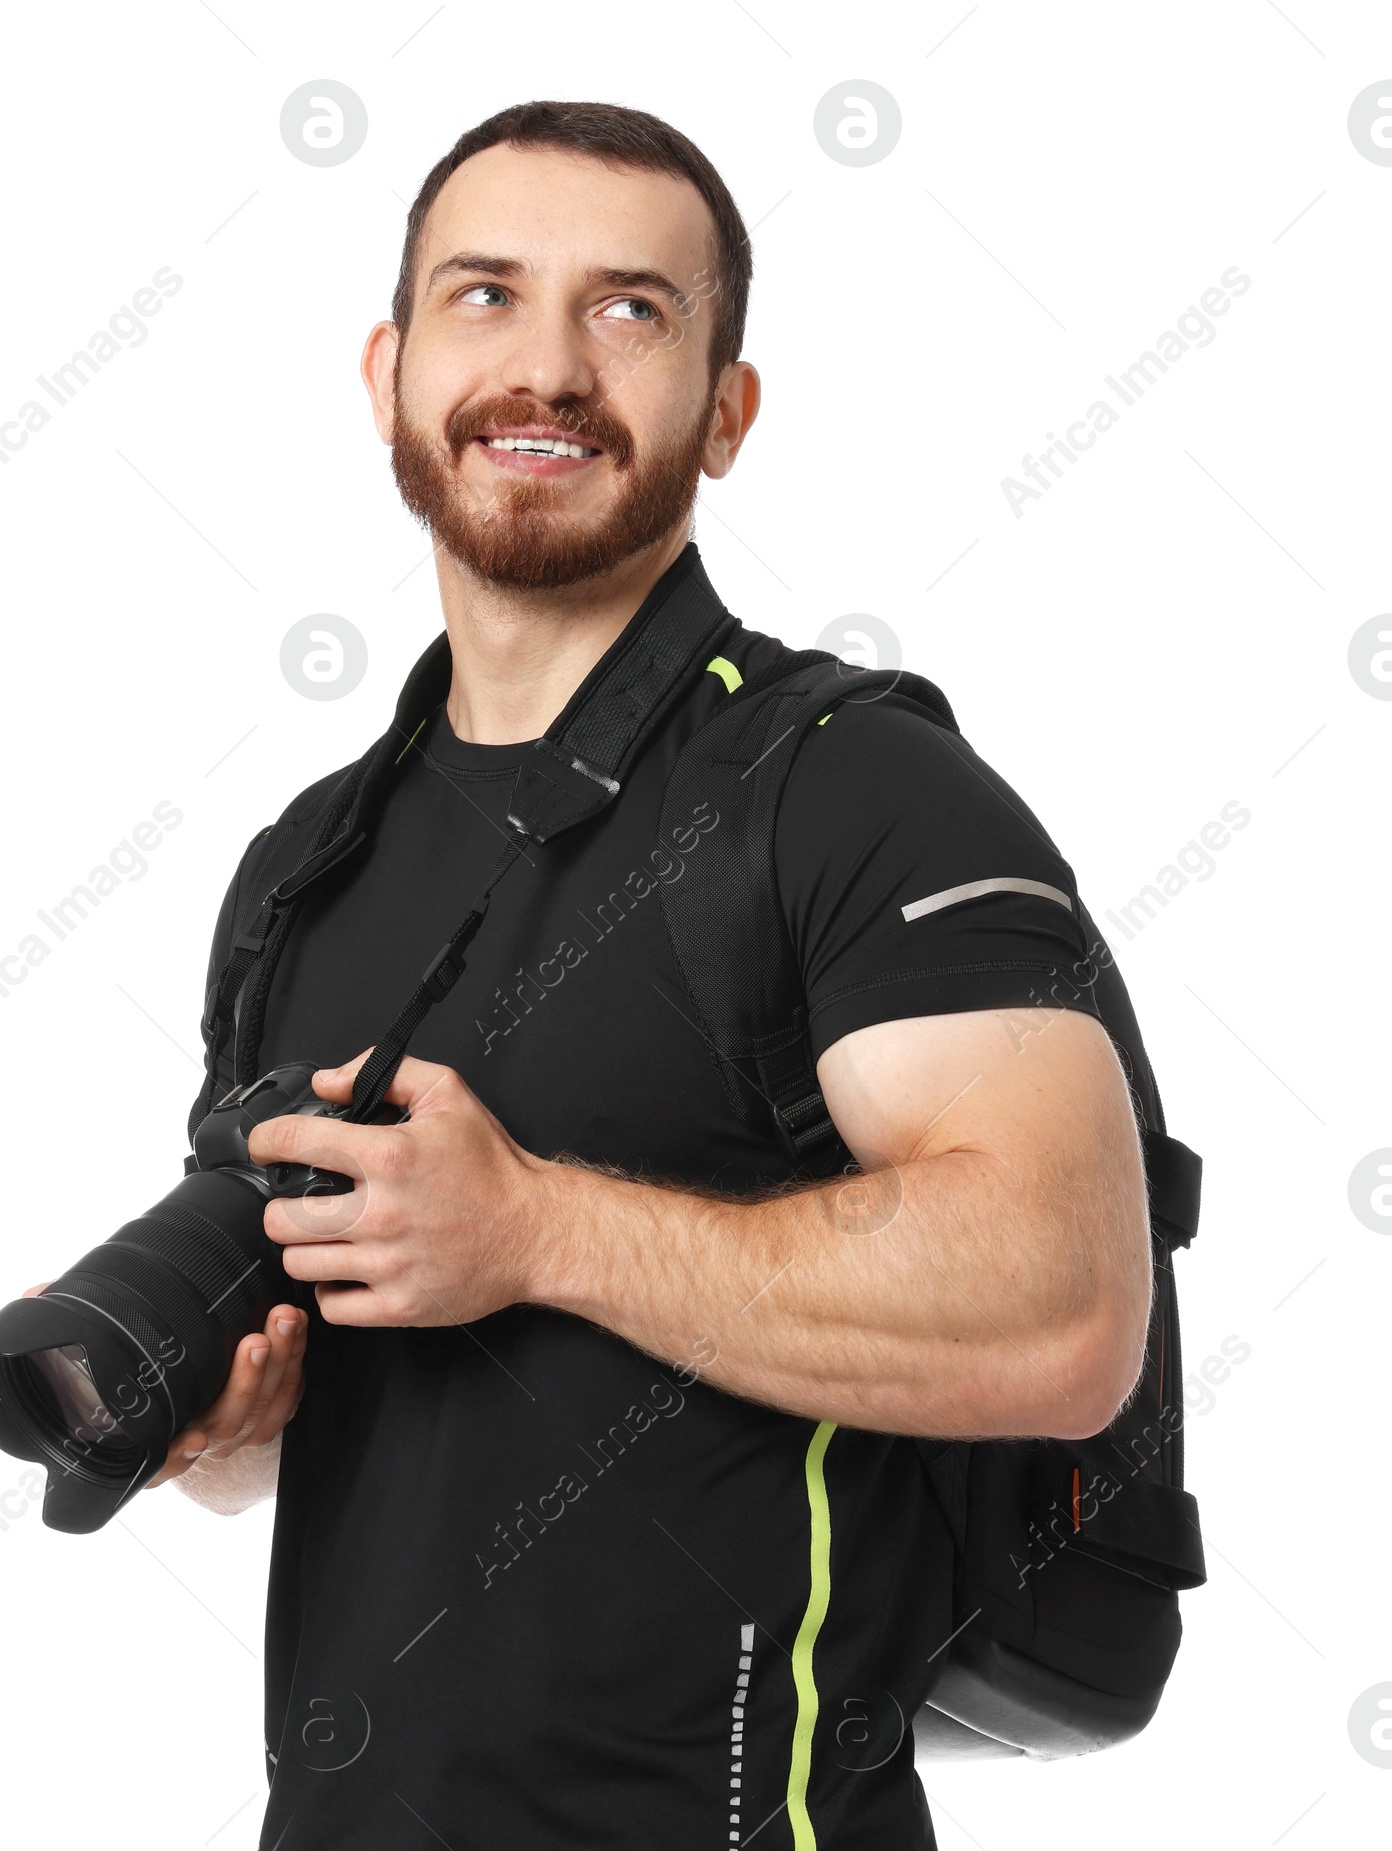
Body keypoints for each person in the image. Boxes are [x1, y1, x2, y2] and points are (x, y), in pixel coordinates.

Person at [136, 101, 1151, 1849]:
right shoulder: (305, 867)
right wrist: (225, 1427)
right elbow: (303, 1449)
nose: (544, 369)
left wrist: (535, 1229)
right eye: (483, 298)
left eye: (629, 312)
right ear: (388, 369)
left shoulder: (852, 791)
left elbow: (1065, 1307)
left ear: (726, 411)